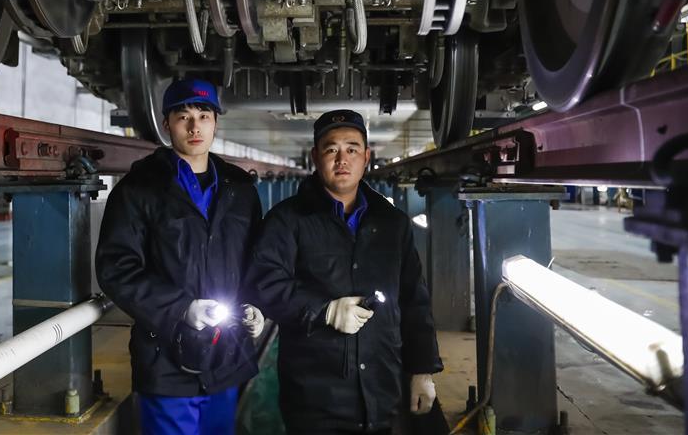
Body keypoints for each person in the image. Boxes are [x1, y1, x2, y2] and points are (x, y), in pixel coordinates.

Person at [247, 109, 445, 435]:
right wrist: (323, 310)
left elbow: (414, 300)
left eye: (352, 149)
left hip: (383, 388)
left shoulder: (391, 222)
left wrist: (422, 370)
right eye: (331, 149)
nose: (342, 159)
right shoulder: (287, 220)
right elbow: (262, 283)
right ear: (315, 156)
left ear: (366, 156)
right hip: (315, 398)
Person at [96, 78, 266, 435]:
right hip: (166, 361)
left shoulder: (240, 190)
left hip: (227, 355)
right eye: (183, 116)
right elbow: (116, 268)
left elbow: (256, 260)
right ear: (166, 124)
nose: (194, 126)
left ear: (216, 122)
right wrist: (180, 308)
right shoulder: (138, 190)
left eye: (204, 115)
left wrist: (256, 305)